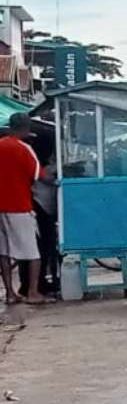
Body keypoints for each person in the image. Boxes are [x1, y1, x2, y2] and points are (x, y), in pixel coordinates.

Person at [0, 114, 48, 304]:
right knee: (33, 253)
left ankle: (10, 293)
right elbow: (39, 175)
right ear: (26, 128)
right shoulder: (23, 148)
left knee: (4, 251)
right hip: (19, 206)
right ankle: (33, 293)